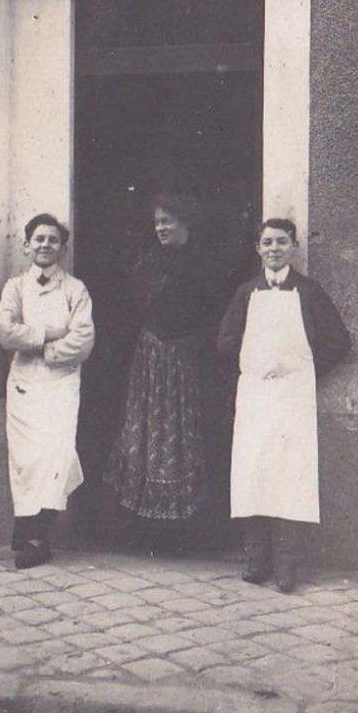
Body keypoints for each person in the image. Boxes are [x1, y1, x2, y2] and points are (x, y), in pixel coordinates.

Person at [217, 218, 351, 593]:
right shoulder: (247, 292)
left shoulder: (308, 292)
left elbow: (339, 341)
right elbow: (225, 341)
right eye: (266, 243)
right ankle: (257, 561)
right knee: (253, 473)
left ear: (294, 246)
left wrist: (305, 370)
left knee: (292, 475)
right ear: (257, 249)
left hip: (294, 396)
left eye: (281, 242)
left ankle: (287, 567)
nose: (273, 249)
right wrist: (252, 368)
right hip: (256, 394)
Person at [103, 194, 218, 545]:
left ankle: (181, 531)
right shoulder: (146, 263)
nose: (161, 228)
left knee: (182, 435)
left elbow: (212, 316)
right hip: (151, 359)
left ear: (186, 222)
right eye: (156, 223)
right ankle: (137, 528)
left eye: (167, 221)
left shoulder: (205, 266)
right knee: (143, 432)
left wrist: (191, 343)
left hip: (186, 360)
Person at [0, 214, 95, 569]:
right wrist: (51, 331)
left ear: (63, 249)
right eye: (38, 239)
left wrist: (43, 347)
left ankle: (39, 535)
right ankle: (29, 535)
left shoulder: (75, 290)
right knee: (26, 461)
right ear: (27, 245)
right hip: (24, 384)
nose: (45, 245)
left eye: (53, 240)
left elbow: (82, 340)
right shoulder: (15, 288)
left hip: (61, 385)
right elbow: (6, 333)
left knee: (55, 457)